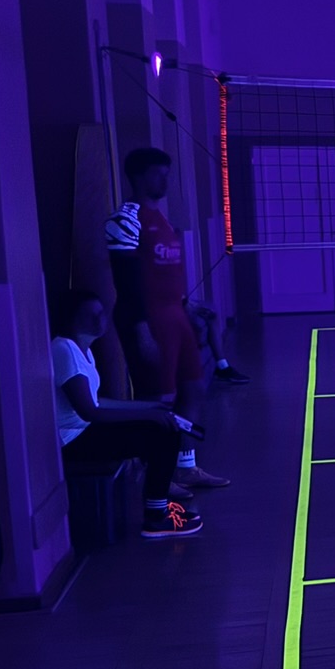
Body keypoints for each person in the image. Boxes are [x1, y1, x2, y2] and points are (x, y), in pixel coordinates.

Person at [105, 147, 225, 488]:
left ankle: (185, 466)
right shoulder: (125, 219)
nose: (165, 180)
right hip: (149, 320)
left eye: (166, 173)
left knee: (193, 388)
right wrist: (141, 329)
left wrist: (187, 307)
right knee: (157, 399)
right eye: (158, 174)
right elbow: (126, 281)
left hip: (176, 316)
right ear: (139, 176)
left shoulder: (164, 221)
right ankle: (156, 473)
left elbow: (166, 274)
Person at [51, 291, 202, 539]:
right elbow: (89, 412)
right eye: (90, 315)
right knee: (162, 434)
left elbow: (97, 400)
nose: (100, 320)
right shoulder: (64, 349)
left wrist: (148, 408)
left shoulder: (82, 350)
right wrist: (147, 416)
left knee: (162, 426)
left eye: (101, 313)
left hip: (83, 432)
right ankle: (156, 517)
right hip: (73, 440)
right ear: (72, 319)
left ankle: (159, 508)